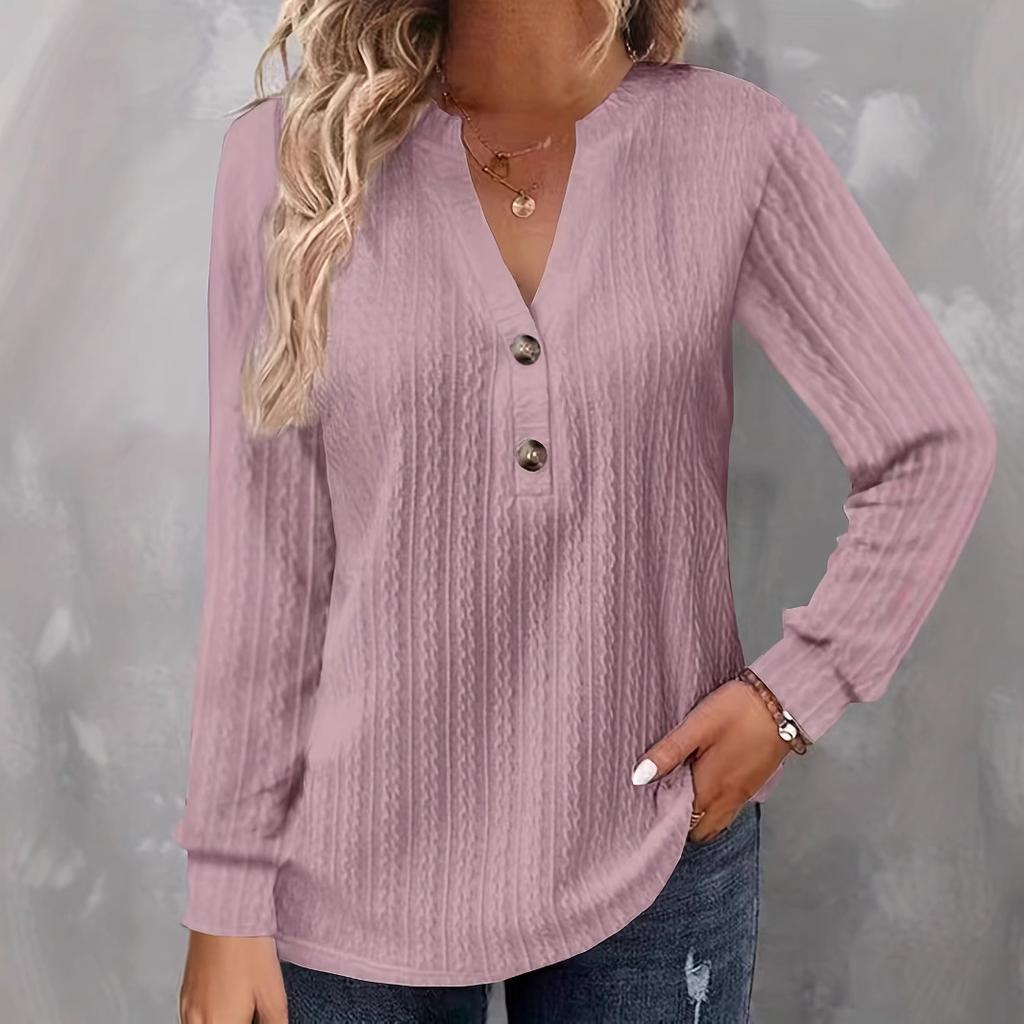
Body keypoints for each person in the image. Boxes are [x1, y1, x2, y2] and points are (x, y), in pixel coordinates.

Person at [173, 1, 998, 1021]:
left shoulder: (729, 144)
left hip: (656, 853)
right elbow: (267, 561)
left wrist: (795, 693)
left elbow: (934, 440)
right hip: (344, 883)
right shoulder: (289, 162)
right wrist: (225, 890)